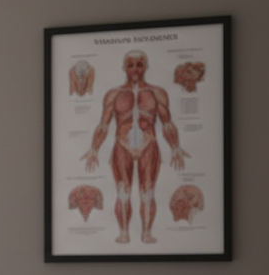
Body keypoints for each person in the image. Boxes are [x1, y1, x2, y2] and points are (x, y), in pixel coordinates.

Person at [79, 50, 191, 244]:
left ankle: (146, 233)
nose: (135, 69)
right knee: (123, 193)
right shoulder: (114, 94)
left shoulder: (157, 93)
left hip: (149, 144)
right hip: (122, 145)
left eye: (139, 64)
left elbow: (167, 123)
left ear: (146, 66)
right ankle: (124, 233)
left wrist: (175, 148)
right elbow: (103, 125)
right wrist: (94, 150)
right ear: (124, 67)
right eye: (130, 65)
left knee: (147, 193)